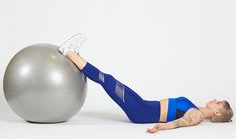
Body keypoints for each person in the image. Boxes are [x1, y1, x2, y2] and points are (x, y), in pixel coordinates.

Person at [58, 34, 234, 133]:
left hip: (141, 112)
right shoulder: (196, 108)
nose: (214, 99)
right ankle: (75, 55)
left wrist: (161, 127)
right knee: (109, 80)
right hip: (143, 105)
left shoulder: (197, 115)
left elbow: (184, 122)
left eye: (218, 102)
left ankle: (70, 53)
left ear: (217, 113)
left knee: (107, 81)